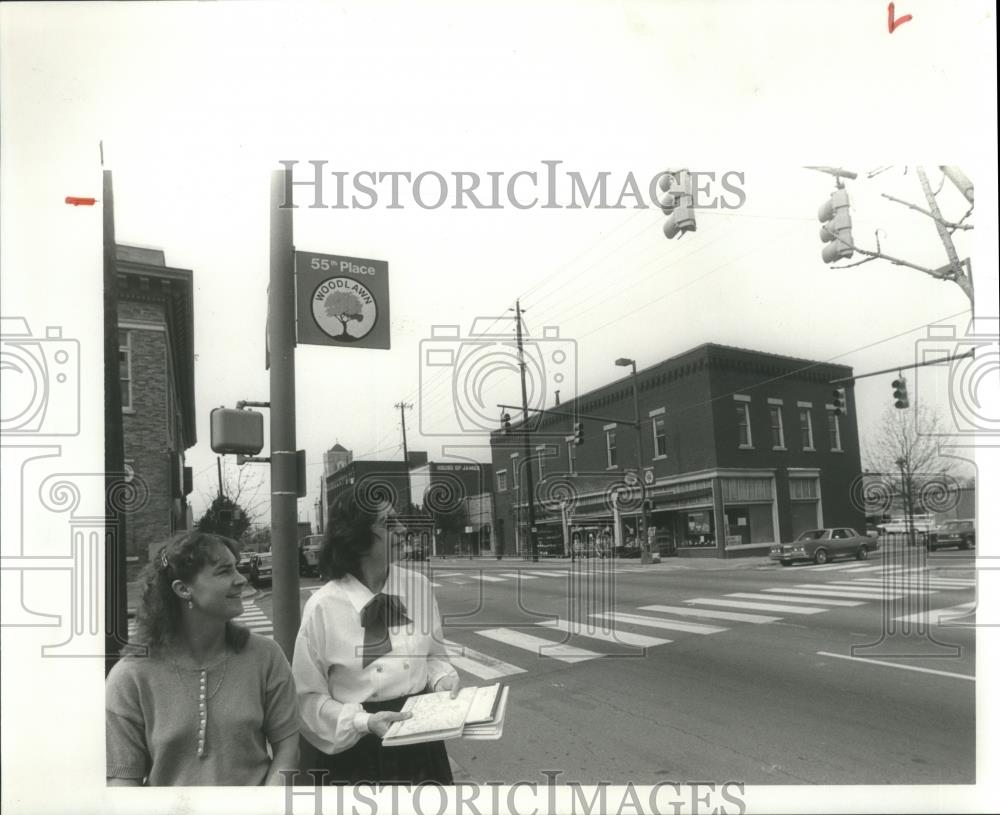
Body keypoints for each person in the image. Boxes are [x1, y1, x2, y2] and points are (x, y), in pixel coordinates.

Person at [105, 531, 299, 786]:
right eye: (224, 571)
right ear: (183, 589)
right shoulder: (130, 676)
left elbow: (288, 748)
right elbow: (122, 781)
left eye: (237, 569)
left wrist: (269, 804)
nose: (240, 580)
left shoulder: (265, 657)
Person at [293, 494, 461, 785]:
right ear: (356, 537)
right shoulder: (322, 607)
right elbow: (306, 699)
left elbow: (434, 655)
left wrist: (441, 679)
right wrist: (364, 722)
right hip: (357, 750)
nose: (401, 529)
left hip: (421, 738)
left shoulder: (418, 587)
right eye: (388, 523)